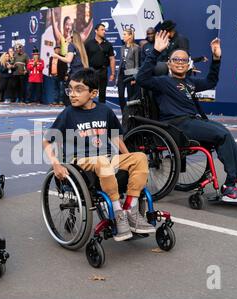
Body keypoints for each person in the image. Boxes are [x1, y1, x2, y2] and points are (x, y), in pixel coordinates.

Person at [137, 31, 237, 203]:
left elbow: (211, 81)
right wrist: (156, 51)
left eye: (184, 60)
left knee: (223, 133)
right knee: (221, 134)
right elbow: (141, 78)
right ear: (169, 63)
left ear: (189, 64)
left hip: (192, 122)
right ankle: (230, 187)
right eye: (176, 60)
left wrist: (216, 58)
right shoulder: (162, 82)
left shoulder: (190, 83)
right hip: (176, 126)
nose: (180, 63)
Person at [43, 69, 154, 242]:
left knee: (139, 157)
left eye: (78, 90)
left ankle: (130, 211)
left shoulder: (105, 111)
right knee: (103, 161)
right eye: (70, 89)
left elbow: (116, 137)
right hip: (80, 162)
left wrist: (129, 160)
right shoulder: (68, 114)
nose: (72, 94)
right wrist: (56, 164)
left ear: (93, 93)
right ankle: (118, 214)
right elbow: (47, 141)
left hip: (107, 158)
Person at [52, 31, 89, 106]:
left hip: (74, 75)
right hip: (81, 74)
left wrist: (57, 56)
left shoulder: (71, 45)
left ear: (72, 37)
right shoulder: (80, 47)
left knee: (68, 96)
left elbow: (68, 60)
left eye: (68, 35)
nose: (66, 37)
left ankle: (70, 113)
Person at [85, 23, 116, 104]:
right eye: (102, 30)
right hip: (91, 71)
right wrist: (85, 71)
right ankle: (88, 109)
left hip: (103, 71)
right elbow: (84, 58)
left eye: (104, 30)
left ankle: (101, 111)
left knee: (102, 93)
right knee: (89, 92)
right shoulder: (88, 43)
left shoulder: (108, 44)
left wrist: (112, 73)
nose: (104, 32)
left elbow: (112, 59)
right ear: (96, 31)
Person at [117, 28, 140, 112]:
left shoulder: (136, 48)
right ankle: (124, 113)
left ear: (130, 36)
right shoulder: (122, 47)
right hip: (121, 73)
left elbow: (137, 64)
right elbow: (120, 62)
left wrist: (134, 77)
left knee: (130, 96)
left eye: (125, 34)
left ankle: (131, 112)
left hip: (130, 74)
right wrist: (117, 75)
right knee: (120, 95)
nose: (123, 36)